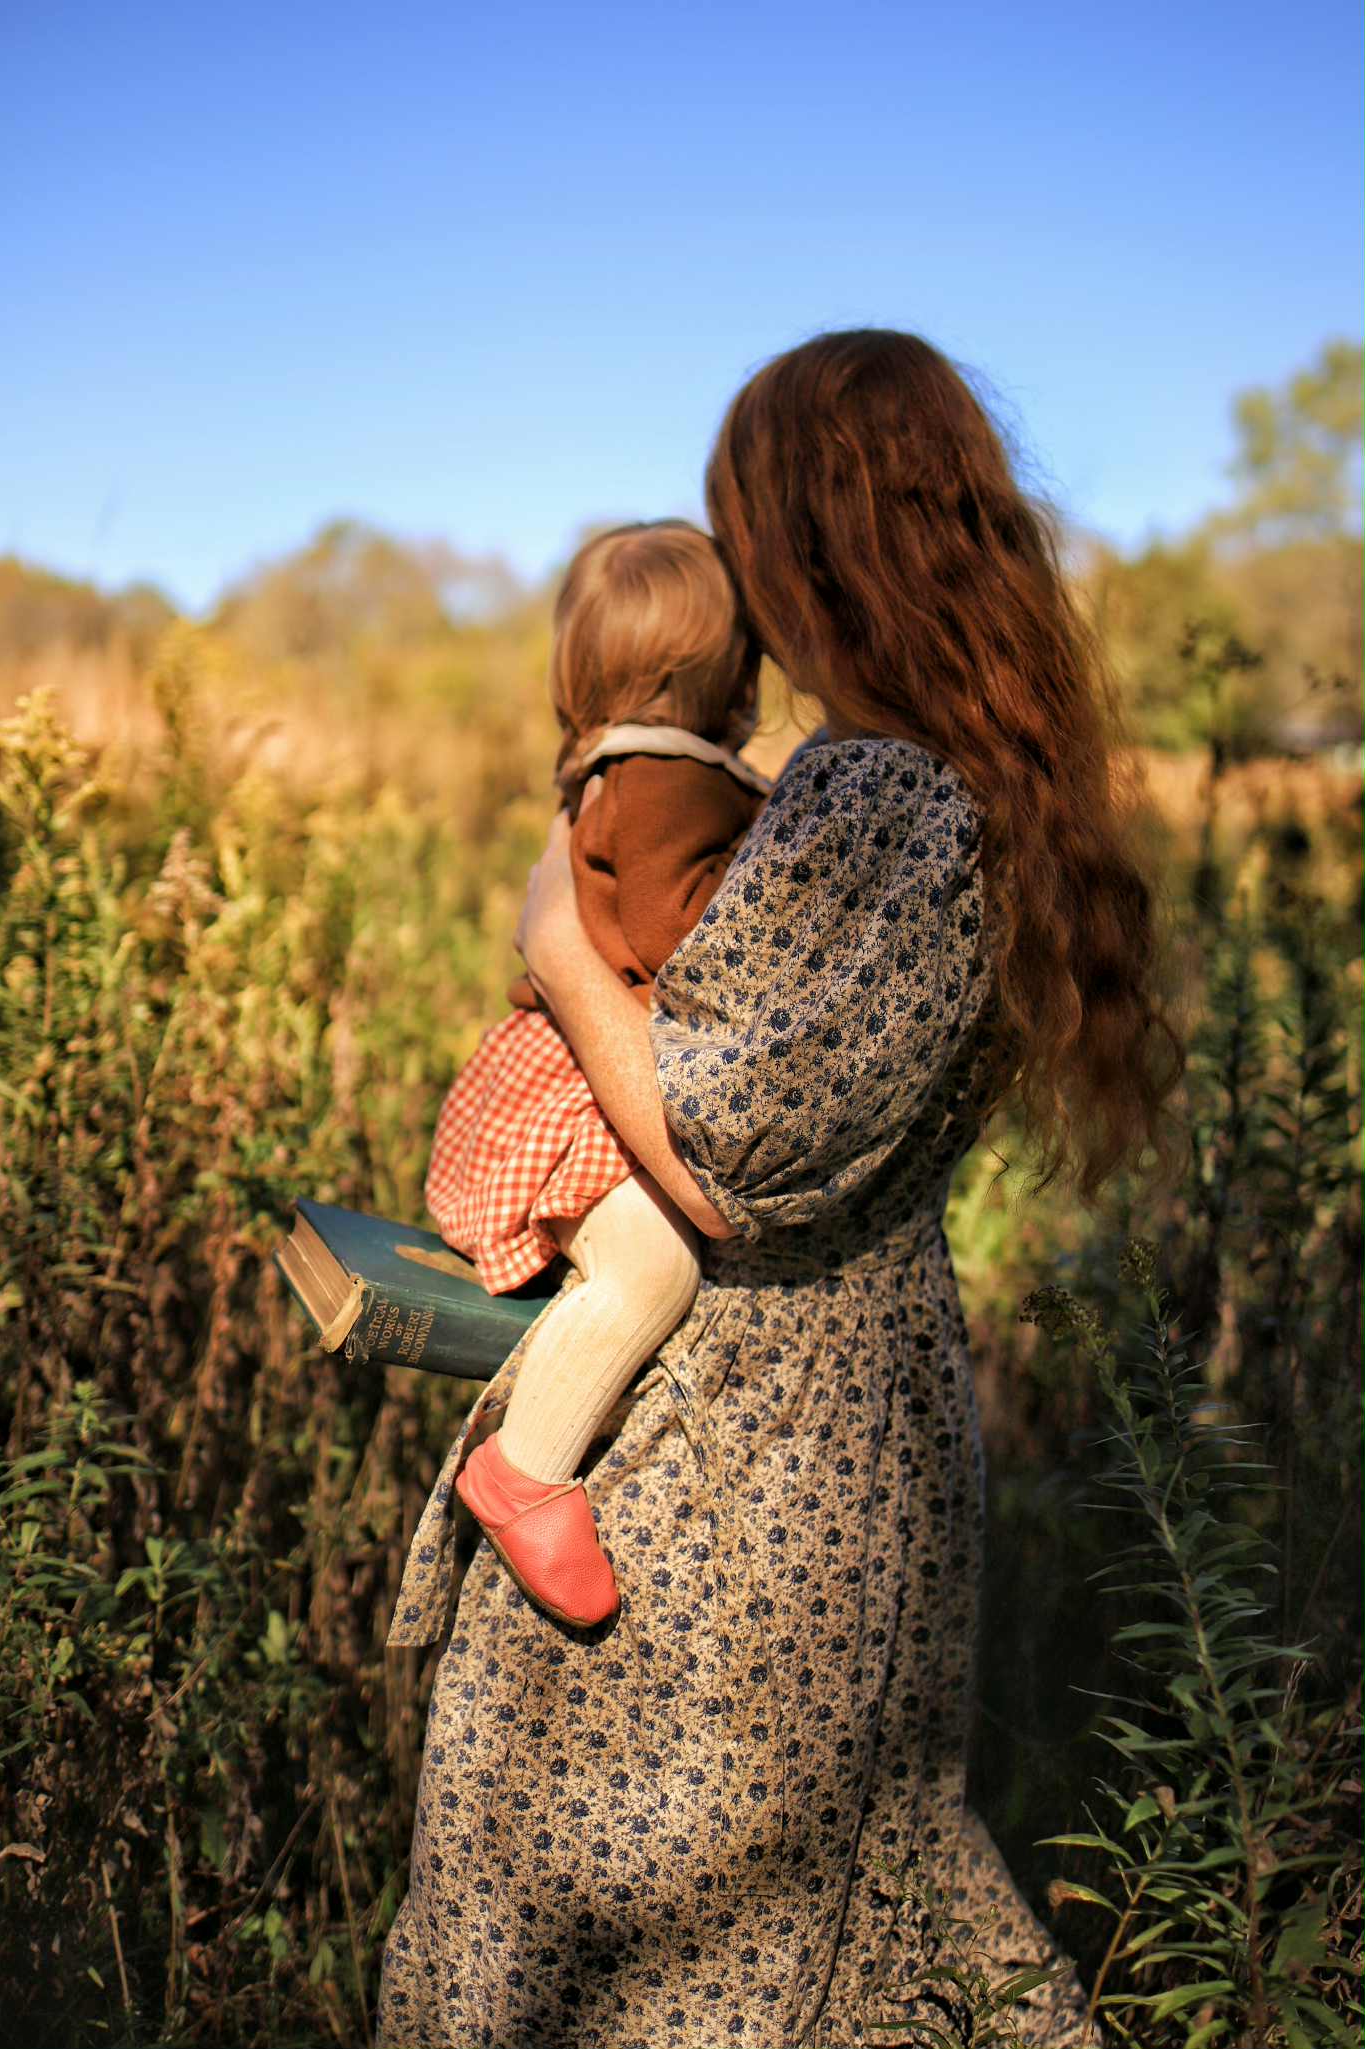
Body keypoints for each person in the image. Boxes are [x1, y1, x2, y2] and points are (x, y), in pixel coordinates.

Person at [376, 330, 1182, 2047]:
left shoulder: (877, 790)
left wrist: (554, 953)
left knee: (669, 1953)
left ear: (817, 545)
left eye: (748, 528)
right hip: (832, 1439)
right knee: (820, 1927)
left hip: (741, 1478)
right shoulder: (963, 785)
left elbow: (731, 1148)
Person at [425, 520, 769, 1628]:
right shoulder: (671, 780)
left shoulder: (627, 769)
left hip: (577, 1072)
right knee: (651, 1268)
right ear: (725, 677)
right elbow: (681, 935)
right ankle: (525, 1468)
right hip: (584, 1093)